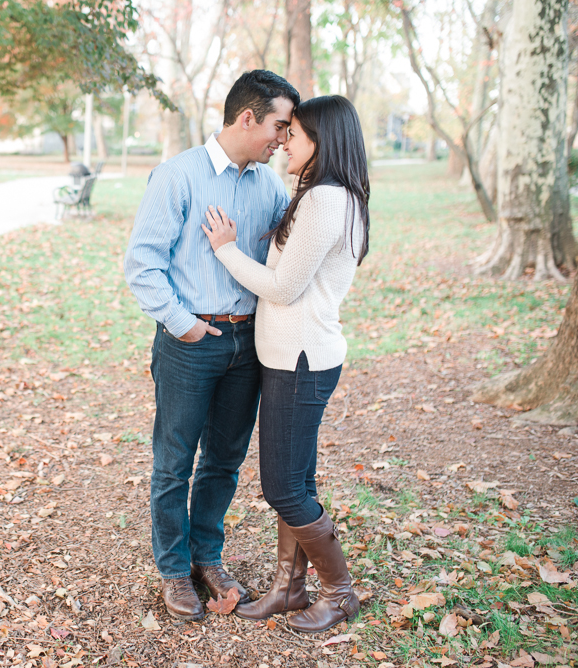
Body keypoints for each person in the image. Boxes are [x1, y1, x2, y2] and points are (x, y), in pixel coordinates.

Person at [124, 70, 300, 621]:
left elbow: (283, 261)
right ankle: (174, 570)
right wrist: (186, 325)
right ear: (247, 117)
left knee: (224, 461)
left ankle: (207, 558)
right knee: (175, 460)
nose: (282, 138)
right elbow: (142, 266)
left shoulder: (269, 186)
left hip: (249, 343)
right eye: (278, 125)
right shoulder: (177, 177)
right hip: (189, 340)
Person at [201, 95, 370, 633]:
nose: (284, 142)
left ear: (322, 140)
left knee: (284, 487)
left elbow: (283, 286)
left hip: (301, 360)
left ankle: (339, 593)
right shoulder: (323, 195)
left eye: (293, 133)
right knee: (296, 480)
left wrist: (225, 249)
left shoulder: (326, 199)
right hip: (291, 358)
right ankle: (289, 588)